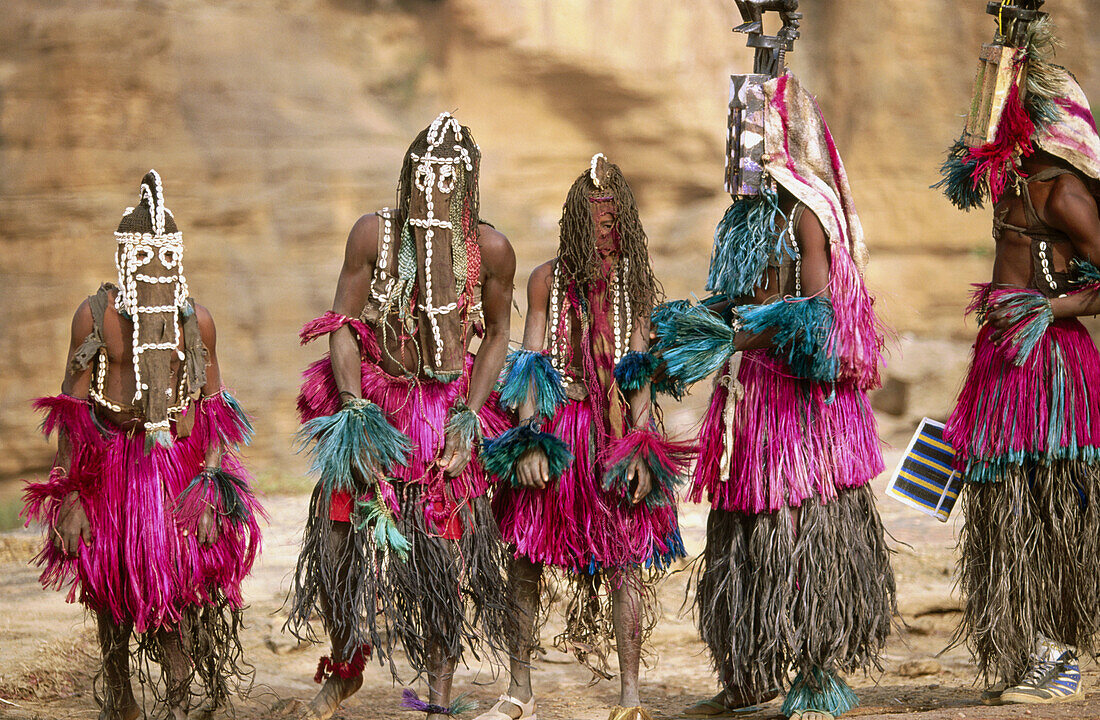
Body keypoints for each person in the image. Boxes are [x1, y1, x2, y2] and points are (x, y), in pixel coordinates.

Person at [652, 70, 895, 720]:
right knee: (740, 535)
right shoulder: (744, 218)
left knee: (802, 536)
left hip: (802, 407)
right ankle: (748, 675)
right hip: (749, 401)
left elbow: (819, 313)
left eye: (751, 132)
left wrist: (746, 336)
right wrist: (697, 331)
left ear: (781, 142)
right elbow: (735, 298)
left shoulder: (808, 214)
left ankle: (818, 677)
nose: (739, 146)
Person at [287, 112, 517, 720]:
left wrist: (469, 418)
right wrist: (354, 411)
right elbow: (341, 324)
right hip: (375, 403)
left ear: (467, 189)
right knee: (337, 542)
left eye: (447, 184)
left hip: (444, 409)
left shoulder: (491, 250)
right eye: (423, 181)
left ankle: (438, 694)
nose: (432, 195)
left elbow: (496, 335)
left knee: (439, 555)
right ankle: (344, 667)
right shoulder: (373, 236)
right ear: (407, 179)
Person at [23, 170, 262, 720]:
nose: (156, 272)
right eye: (144, 260)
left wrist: (210, 484)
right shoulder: (94, 315)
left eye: (166, 261)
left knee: (176, 588)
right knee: (109, 585)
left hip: (174, 466)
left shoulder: (195, 322)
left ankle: (177, 705)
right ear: (126, 261)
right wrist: (70, 493)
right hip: (109, 463)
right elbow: (74, 407)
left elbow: (215, 407)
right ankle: (121, 697)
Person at [477, 155, 689, 720]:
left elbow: (639, 377)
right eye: (593, 220)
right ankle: (519, 692)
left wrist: (642, 449)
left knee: (622, 561)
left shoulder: (636, 289)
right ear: (574, 221)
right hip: (561, 430)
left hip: (614, 435)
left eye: (612, 220)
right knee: (524, 553)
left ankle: (630, 699)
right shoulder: (547, 279)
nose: (603, 233)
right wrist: (528, 441)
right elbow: (531, 365)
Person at [937, 9, 1100, 706]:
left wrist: (1047, 310)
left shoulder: (1063, 191)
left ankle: (1061, 659)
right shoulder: (1010, 182)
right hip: (1003, 364)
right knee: (1006, 509)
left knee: (1053, 509)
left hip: (1054, 369)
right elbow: (967, 161)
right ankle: (1027, 649)